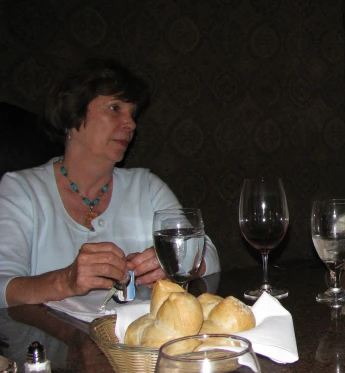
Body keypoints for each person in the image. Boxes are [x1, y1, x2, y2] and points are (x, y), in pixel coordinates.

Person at [0, 58, 220, 308]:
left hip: (135, 344)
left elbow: (208, 254)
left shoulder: (146, 187)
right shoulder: (22, 190)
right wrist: (65, 281)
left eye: (133, 113)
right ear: (73, 115)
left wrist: (179, 262)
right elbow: (2, 286)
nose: (131, 124)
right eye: (115, 109)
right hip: (55, 343)